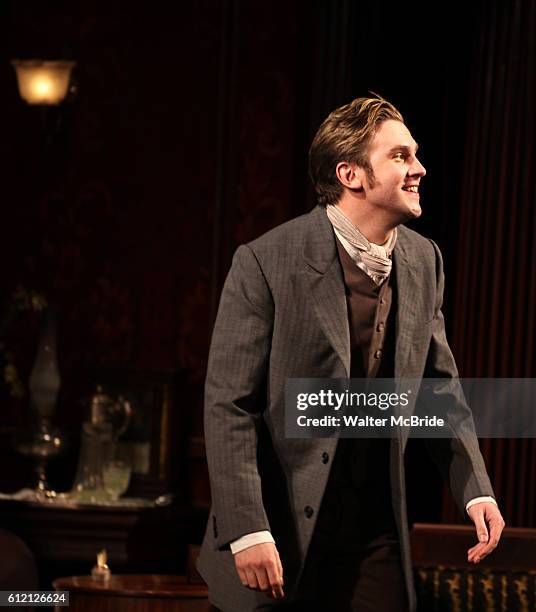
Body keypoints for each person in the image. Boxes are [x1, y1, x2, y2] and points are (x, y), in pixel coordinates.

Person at [197, 95, 505, 612]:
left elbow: (438, 389)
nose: (419, 169)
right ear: (351, 174)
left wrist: (475, 488)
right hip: (279, 534)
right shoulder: (265, 262)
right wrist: (249, 529)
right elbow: (229, 405)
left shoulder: (424, 260)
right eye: (401, 157)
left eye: (416, 155)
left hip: (373, 536)